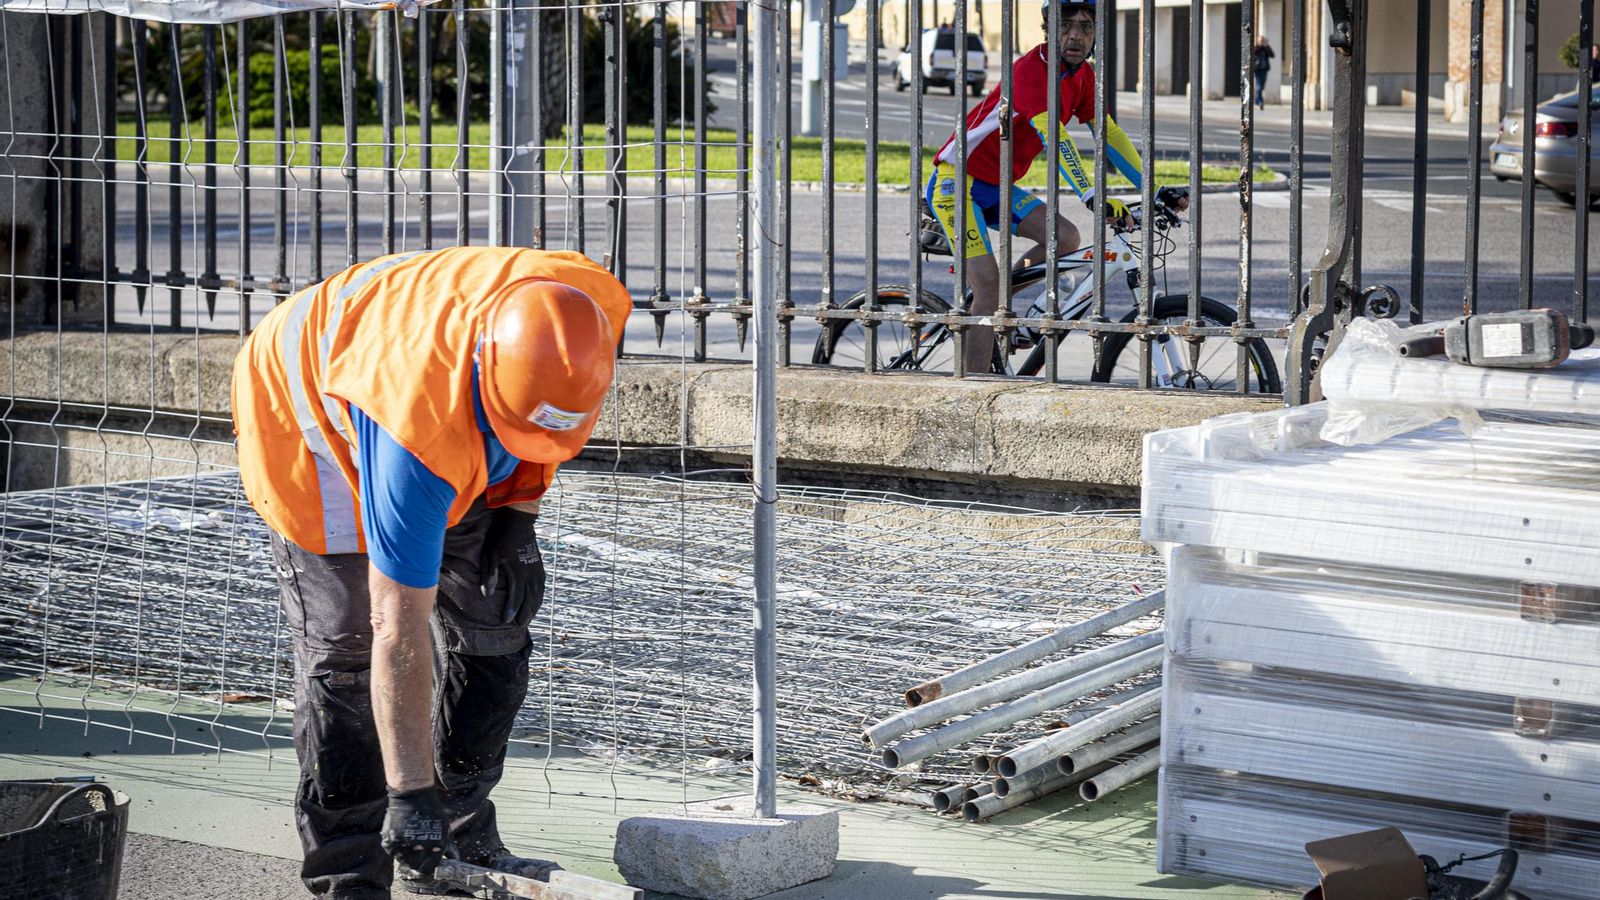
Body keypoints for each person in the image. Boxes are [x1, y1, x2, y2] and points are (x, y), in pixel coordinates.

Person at [232, 246, 631, 900]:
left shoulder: (586, 313)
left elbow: (549, 411)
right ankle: (351, 867)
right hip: (306, 420)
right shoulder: (415, 437)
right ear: (483, 372)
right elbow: (399, 631)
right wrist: (410, 793)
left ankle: (461, 834)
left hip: (450, 396)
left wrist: (517, 517)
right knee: (351, 651)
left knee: (493, 622)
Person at [926, 0, 1151, 374]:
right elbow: (1056, 138)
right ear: (1049, 29)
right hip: (957, 182)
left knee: (1065, 237)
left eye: (1085, 27)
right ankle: (974, 385)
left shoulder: (1083, 76)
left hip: (996, 185)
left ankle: (1000, 309)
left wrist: (1154, 186)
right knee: (986, 285)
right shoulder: (1031, 71)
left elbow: (1107, 132)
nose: (1075, 35)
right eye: (1065, 25)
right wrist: (1091, 193)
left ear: (1096, 35)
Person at [1252, 36, 1275, 110]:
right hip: (1258, 69)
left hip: (1264, 69)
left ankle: (1256, 101)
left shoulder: (1266, 48)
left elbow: (1272, 55)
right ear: (1258, 41)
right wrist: (1259, 46)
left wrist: (1267, 46)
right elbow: (1254, 52)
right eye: (1260, 41)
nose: (1261, 42)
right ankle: (1260, 102)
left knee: (1261, 87)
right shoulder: (1256, 47)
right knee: (1259, 87)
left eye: (1262, 40)